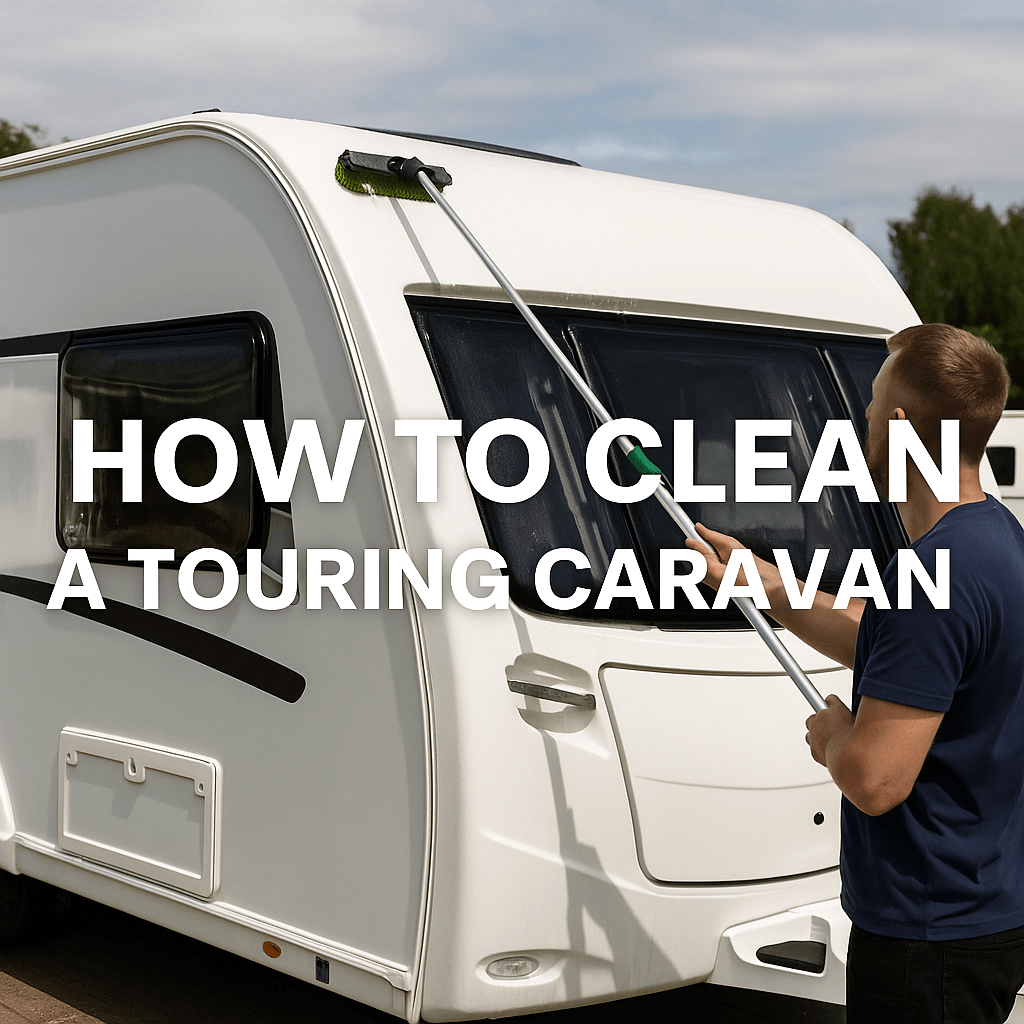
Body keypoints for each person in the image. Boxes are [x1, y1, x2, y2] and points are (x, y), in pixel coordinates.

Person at [688, 323, 1024, 1024]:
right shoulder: (991, 538)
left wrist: (836, 738)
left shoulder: (932, 575)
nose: (860, 424)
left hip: (927, 940)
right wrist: (764, 584)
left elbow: (876, 781)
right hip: (980, 912)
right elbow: (904, 649)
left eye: (869, 410)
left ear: (899, 426)